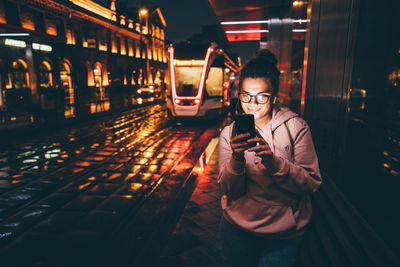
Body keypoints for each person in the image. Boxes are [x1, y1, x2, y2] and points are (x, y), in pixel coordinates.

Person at [218, 50, 322, 267]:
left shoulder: (296, 127)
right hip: (236, 228)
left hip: (284, 235)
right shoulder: (229, 133)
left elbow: (309, 183)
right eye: (246, 95)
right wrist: (237, 158)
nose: (252, 103)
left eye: (261, 96)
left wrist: (273, 161)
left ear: (274, 96)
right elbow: (230, 190)